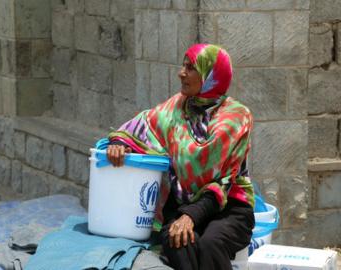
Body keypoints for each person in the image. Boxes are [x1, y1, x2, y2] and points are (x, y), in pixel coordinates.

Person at [106, 44, 254, 270]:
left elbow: (222, 183)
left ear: (210, 75)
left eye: (191, 67)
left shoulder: (235, 117)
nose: (181, 72)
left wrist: (190, 217)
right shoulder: (176, 106)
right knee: (177, 241)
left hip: (229, 208)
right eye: (183, 65)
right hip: (181, 205)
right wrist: (119, 144)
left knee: (210, 244)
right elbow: (143, 125)